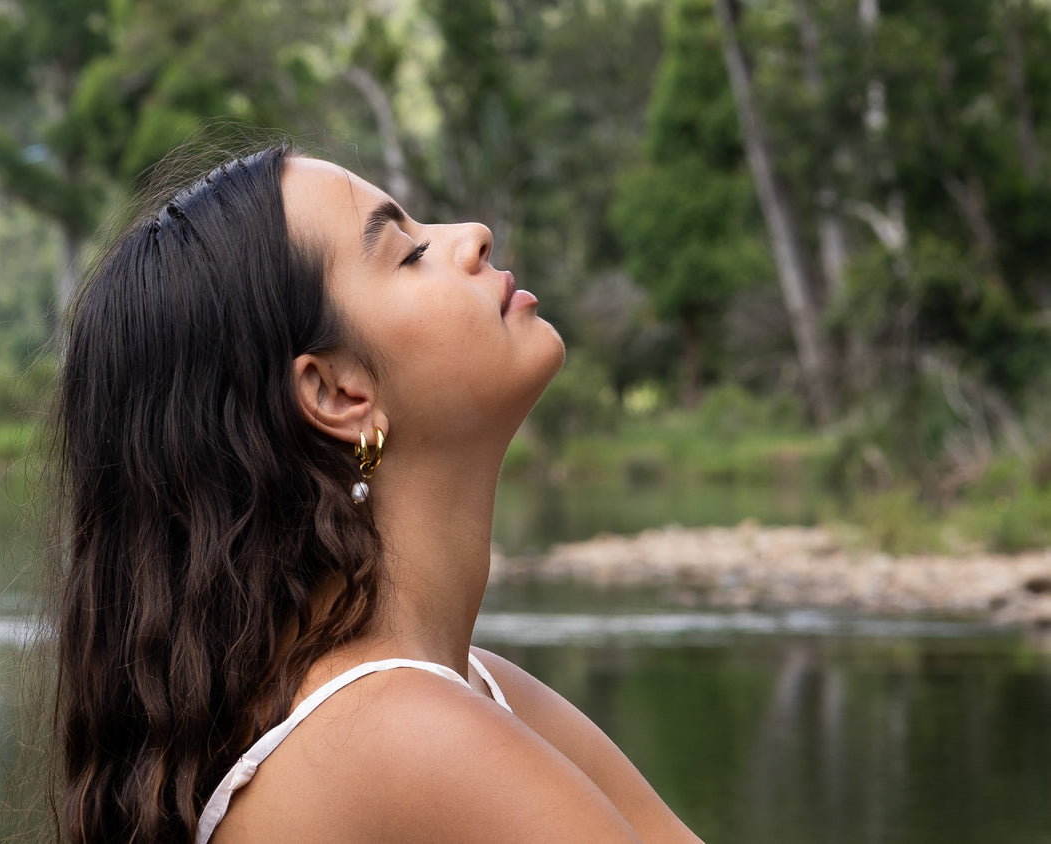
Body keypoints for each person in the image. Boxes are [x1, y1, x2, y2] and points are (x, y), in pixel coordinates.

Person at [44, 145, 703, 843]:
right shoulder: (404, 733)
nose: (472, 236)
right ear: (337, 392)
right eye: (409, 253)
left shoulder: (467, 690)